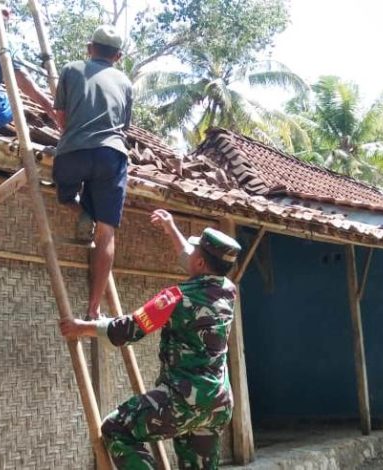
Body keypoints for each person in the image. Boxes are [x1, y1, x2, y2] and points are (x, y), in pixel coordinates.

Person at [59, 209, 241, 468]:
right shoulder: (228, 291)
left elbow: (129, 329)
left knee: (116, 429)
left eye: (196, 253)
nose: (189, 255)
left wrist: (83, 327)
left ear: (200, 263)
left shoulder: (175, 297)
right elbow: (194, 262)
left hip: (183, 399)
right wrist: (171, 228)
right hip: (218, 404)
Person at [52, 24, 133, 320]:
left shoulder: (71, 69)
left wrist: (76, 134)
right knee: (106, 231)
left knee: (64, 196)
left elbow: (61, 117)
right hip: (111, 154)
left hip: (73, 152)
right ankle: (93, 308)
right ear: (119, 56)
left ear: (89, 48)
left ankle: (81, 210)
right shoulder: (125, 82)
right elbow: (124, 128)